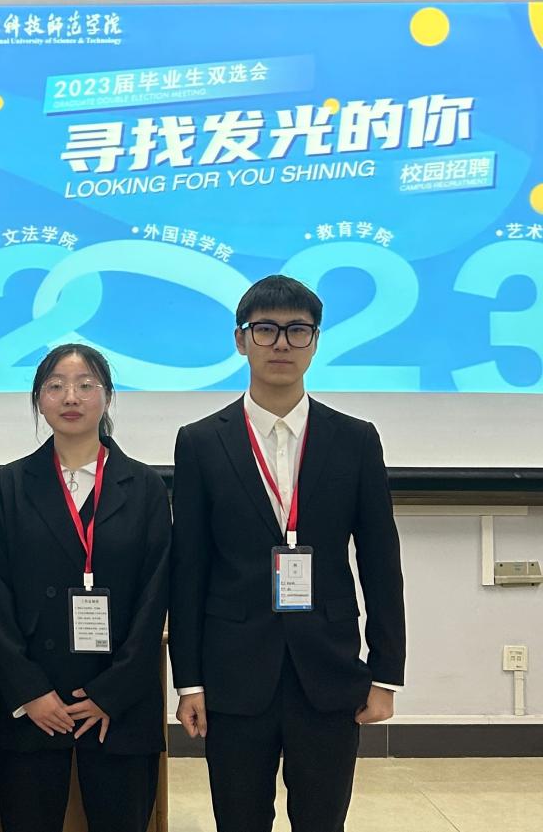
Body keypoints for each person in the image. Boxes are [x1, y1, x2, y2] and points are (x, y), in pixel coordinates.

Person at [169, 275, 406, 832]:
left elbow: (380, 562)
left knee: (322, 821)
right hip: (232, 674)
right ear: (240, 339)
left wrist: (386, 673)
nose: (281, 343)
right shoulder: (201, 441)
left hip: (328, 671)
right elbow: (189, 569)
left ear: (315, 342)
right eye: (266, 329)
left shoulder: (356, 439)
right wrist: (189, 681)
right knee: (239, 820)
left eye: (298, 330)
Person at [0, 344, 170, 832]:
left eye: (86, 385)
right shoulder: (9, 486)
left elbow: (155, 598)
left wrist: (113, 693)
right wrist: (29, 691)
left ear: (107, 397)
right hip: (33, 705)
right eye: (56, 386)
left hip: (120, 705)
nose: (71, 397)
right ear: (39, 399)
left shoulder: (145, 488)